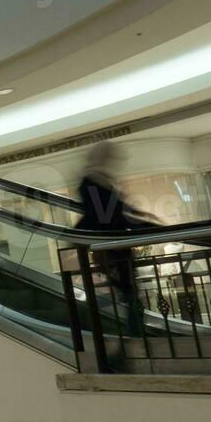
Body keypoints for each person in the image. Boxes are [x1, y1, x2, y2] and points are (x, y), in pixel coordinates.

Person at [77, 142, 155, 337]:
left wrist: (139, 218)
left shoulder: (100, 180)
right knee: (127, 291)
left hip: (116, 244)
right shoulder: (92, 182)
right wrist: (140, 223)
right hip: (111, 246)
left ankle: (134, 332)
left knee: (127, 291)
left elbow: (114, 210)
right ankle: (133, 334)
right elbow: (103, 214)